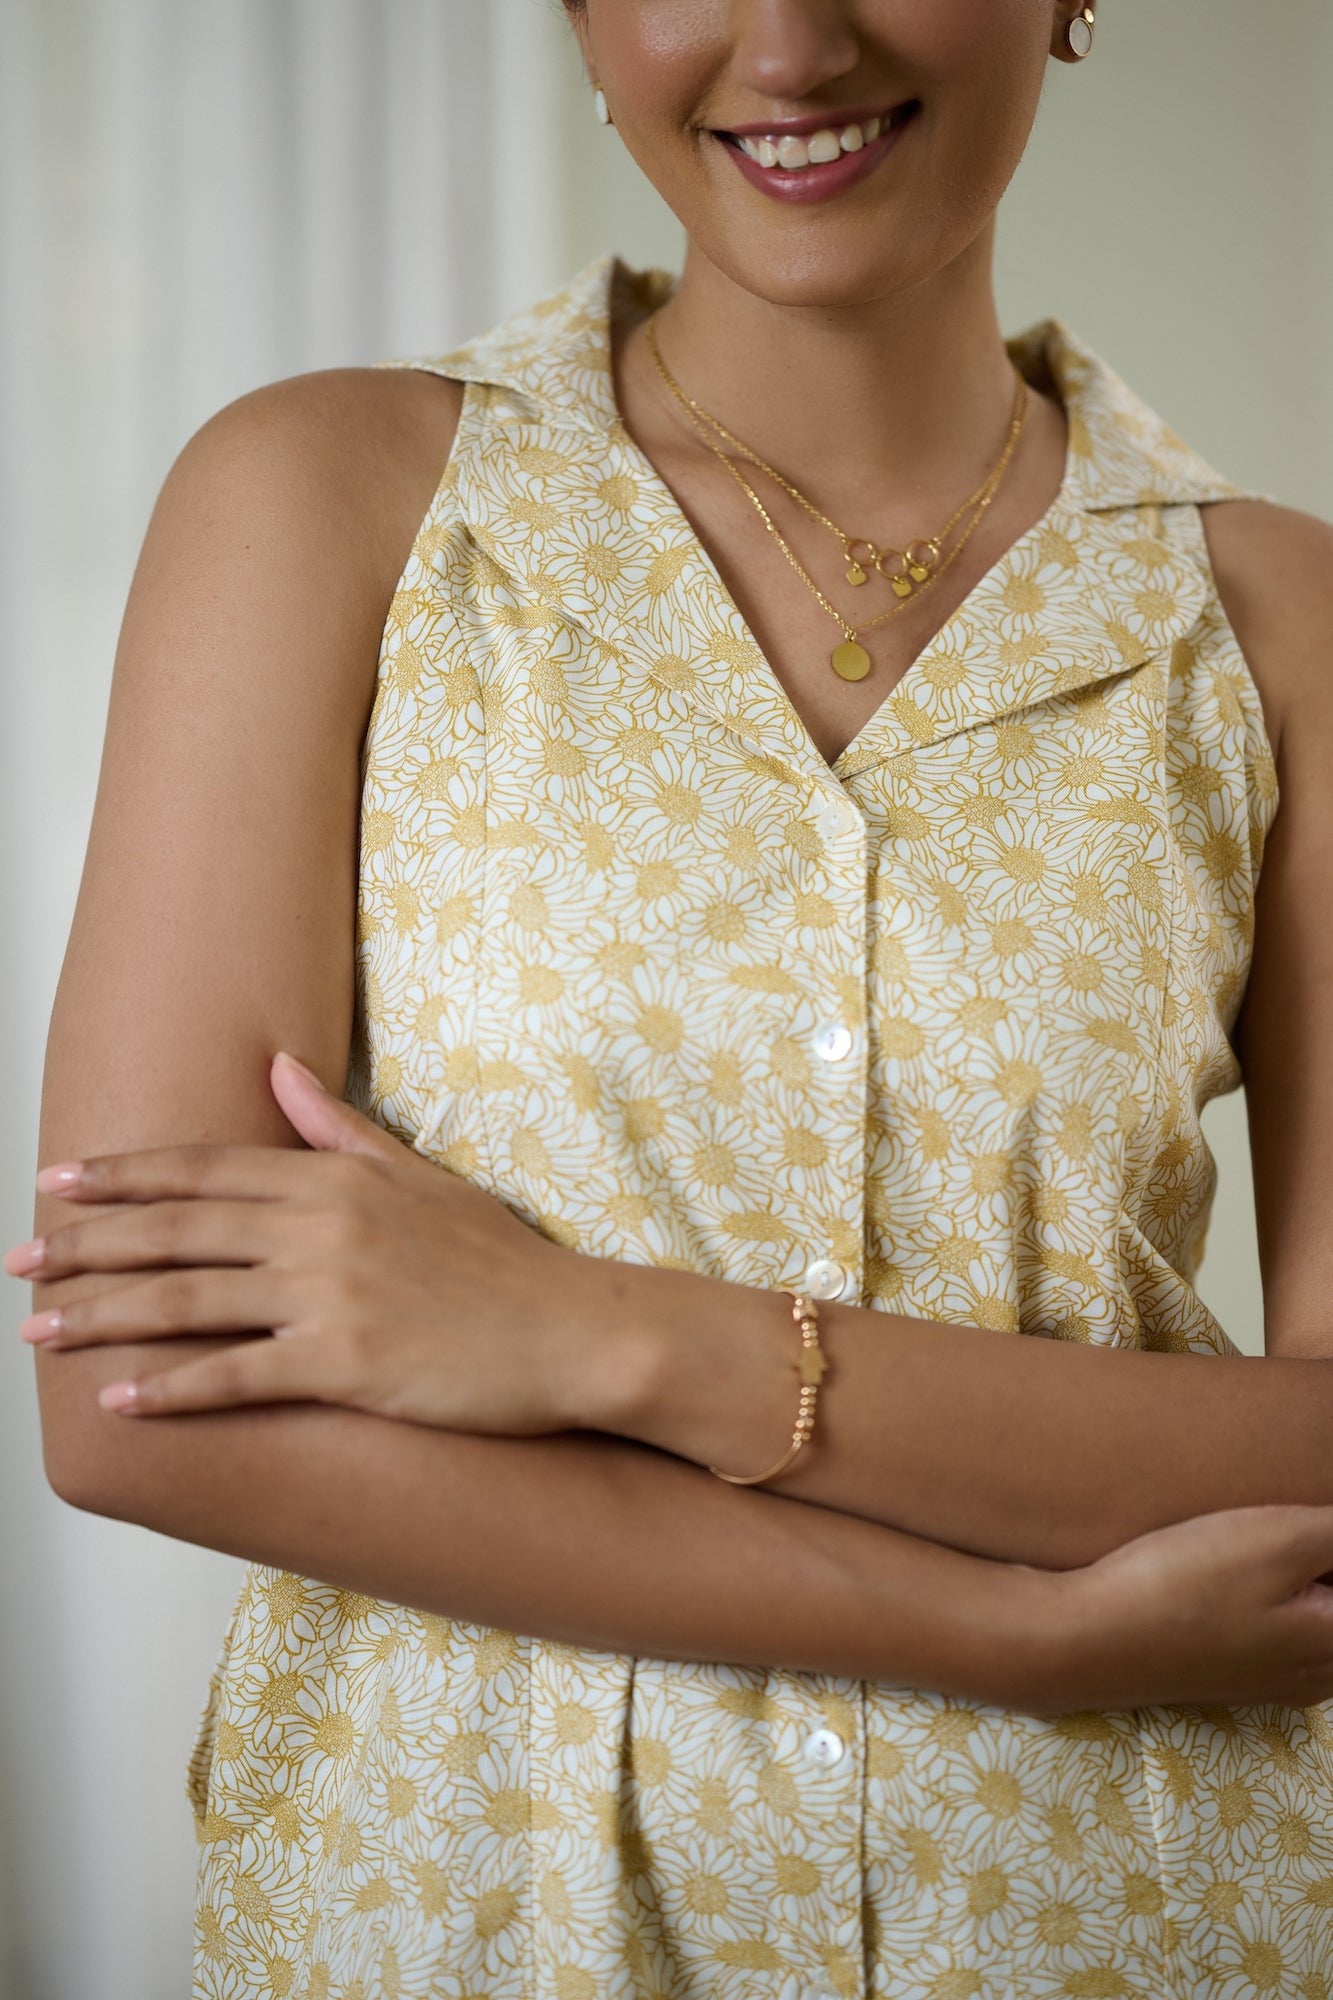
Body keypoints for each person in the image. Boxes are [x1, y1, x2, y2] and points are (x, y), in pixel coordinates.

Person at [10, 1, 1333, 1993]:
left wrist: (601, 1338)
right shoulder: (328, 504)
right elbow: (137, 1404)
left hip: (1109, 1919)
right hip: (463, 1923)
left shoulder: (1278, 632)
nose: (788, 41)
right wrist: (1012, 1631)